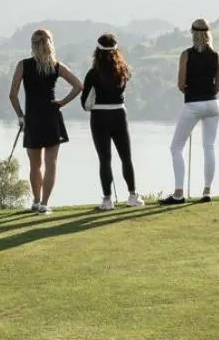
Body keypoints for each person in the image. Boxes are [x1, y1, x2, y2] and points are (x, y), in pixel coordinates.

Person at [9, 28, 82, 213]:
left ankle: (36, 201)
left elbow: (12, 95)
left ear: (33, 45)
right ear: (50, 44)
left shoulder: (23, 65)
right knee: (51, 164)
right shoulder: (56, 66)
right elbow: (78, 85)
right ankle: (44, 204)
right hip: (51, 118)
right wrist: (62, 102)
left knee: (35, 166)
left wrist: (21, 116)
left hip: (32, 119)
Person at [161, 18, 219, 205]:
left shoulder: (186, 55)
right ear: (208, 33)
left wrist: (191, 92)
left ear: (193, 34)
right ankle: (207, 191)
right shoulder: (217, 56)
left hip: (193, 104)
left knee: (176, 148)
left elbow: (181, 84)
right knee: (209, 147)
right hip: (213, 104)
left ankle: (178, 194)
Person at [80, 33, 145, 211]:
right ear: (117, 51)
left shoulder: (92, 73)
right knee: (126, 157)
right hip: (119, 115)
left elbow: (84, 103)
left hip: (99, 117)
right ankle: (133, 196)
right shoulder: (124, 70)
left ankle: (108, 200)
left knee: (105, 160)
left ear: (97, 51)